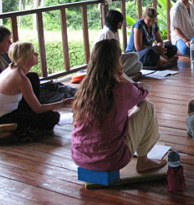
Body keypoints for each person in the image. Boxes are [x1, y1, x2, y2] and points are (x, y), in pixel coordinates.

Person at [71, 39, 166, 173]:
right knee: (147, 107)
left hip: (79, 157)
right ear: (116, 62)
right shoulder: (121, 88)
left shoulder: (84, 89)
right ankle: (143, 161)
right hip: (111, 159)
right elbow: (143, 93)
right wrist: (123, 77)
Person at [0, 42, 72, 141]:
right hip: (1, 119)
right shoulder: (20, 78)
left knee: (33, 77)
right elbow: (38, 109)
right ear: (25, 59)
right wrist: (63, 102)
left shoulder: (12, 68)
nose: (36, 54)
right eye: (32, 53)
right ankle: (11, 132)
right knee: (52, 117)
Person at [0, 26, 76, 103]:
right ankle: (73, 98)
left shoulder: (5, 52)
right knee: (48, 94)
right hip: (14, 93)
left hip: (21, 84)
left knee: (53, 85)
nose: (11, 43)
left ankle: (81, 93)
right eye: (7, 41)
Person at [93, 9, 142, 78]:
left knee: (139, 65)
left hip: (115, 60)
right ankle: (117, 75)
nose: (122, 24)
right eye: (121, 22)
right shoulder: (106, 34)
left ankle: (120, 74)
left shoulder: (114, 32)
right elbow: (104, 57)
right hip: (106, 63)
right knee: (135, 56)